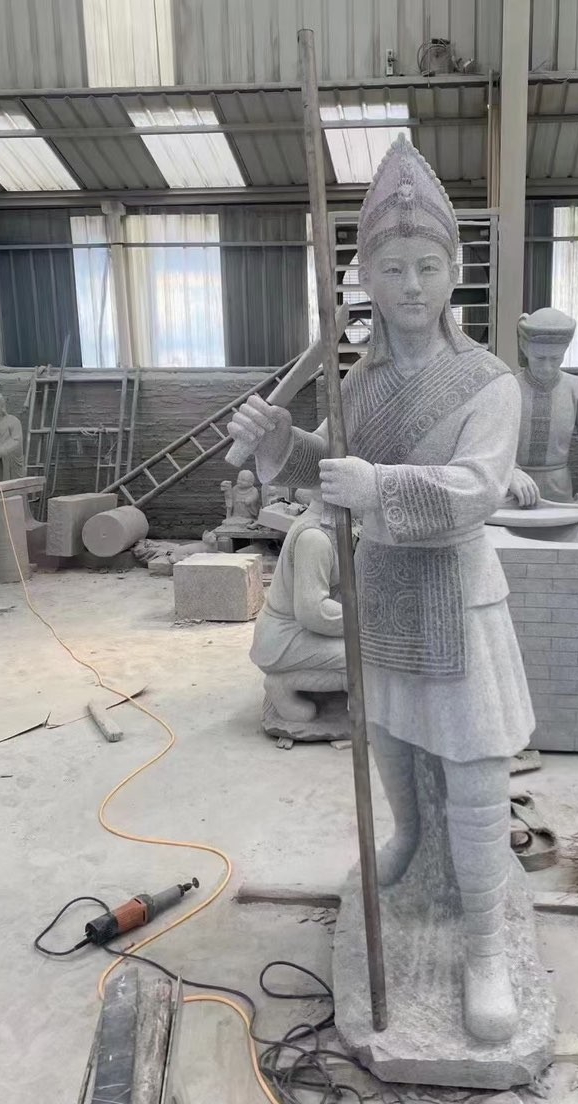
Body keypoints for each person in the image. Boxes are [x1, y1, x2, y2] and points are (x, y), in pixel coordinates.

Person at [228, 136, 533, 1043]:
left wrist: (380, 486)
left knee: (475, 768)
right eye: (391, 267)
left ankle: (484, 948)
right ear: (365, 276)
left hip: (457, 593)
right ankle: (407, 840)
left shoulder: (489, 383)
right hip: (383, 585)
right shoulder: (356, 383)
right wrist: (281, 445)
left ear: (454, 272)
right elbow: (333, 467)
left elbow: (477, 489)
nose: (410, 284)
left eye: (427, 266)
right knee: (390, 737)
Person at [249, 488, 346, 723]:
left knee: (372, 650)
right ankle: (282, 685)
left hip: (296, 631)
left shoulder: (330, 527)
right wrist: (368, 623)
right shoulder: (315, 538)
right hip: (284, 639)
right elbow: (313, 612)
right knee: (369, 657)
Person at [509, 308, 578, 506]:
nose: (547, 367)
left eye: (555, 358)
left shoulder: (576, 388)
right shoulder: (509, 388)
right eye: (540, 358)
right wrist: (509, 470)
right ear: (524, 347)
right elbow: (492, 439)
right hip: (514, 488)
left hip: (559, 487)